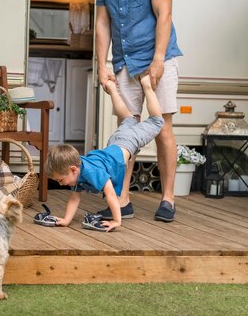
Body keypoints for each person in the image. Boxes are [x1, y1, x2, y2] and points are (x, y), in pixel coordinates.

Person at [90, 0, 183, 222]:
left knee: (162, 128)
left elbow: (164, 15)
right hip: (125, 62)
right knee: (125, 132)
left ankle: (167, 199)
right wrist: (102, 64)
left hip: (159, 59)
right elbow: (103, 23)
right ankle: (123, 199)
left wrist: (157, 60)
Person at [44, 74, 164, 232]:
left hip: (126, 142)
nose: (61, 184)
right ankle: (113, 90)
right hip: (114, 143)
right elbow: (74, 199)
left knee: (157, 121)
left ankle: (147, 85)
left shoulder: (92, 171)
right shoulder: (76, 171)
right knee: (128, 118)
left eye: (60, 180)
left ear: (73, 169)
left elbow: (111, 194)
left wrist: (116, 221)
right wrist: (66, 220)